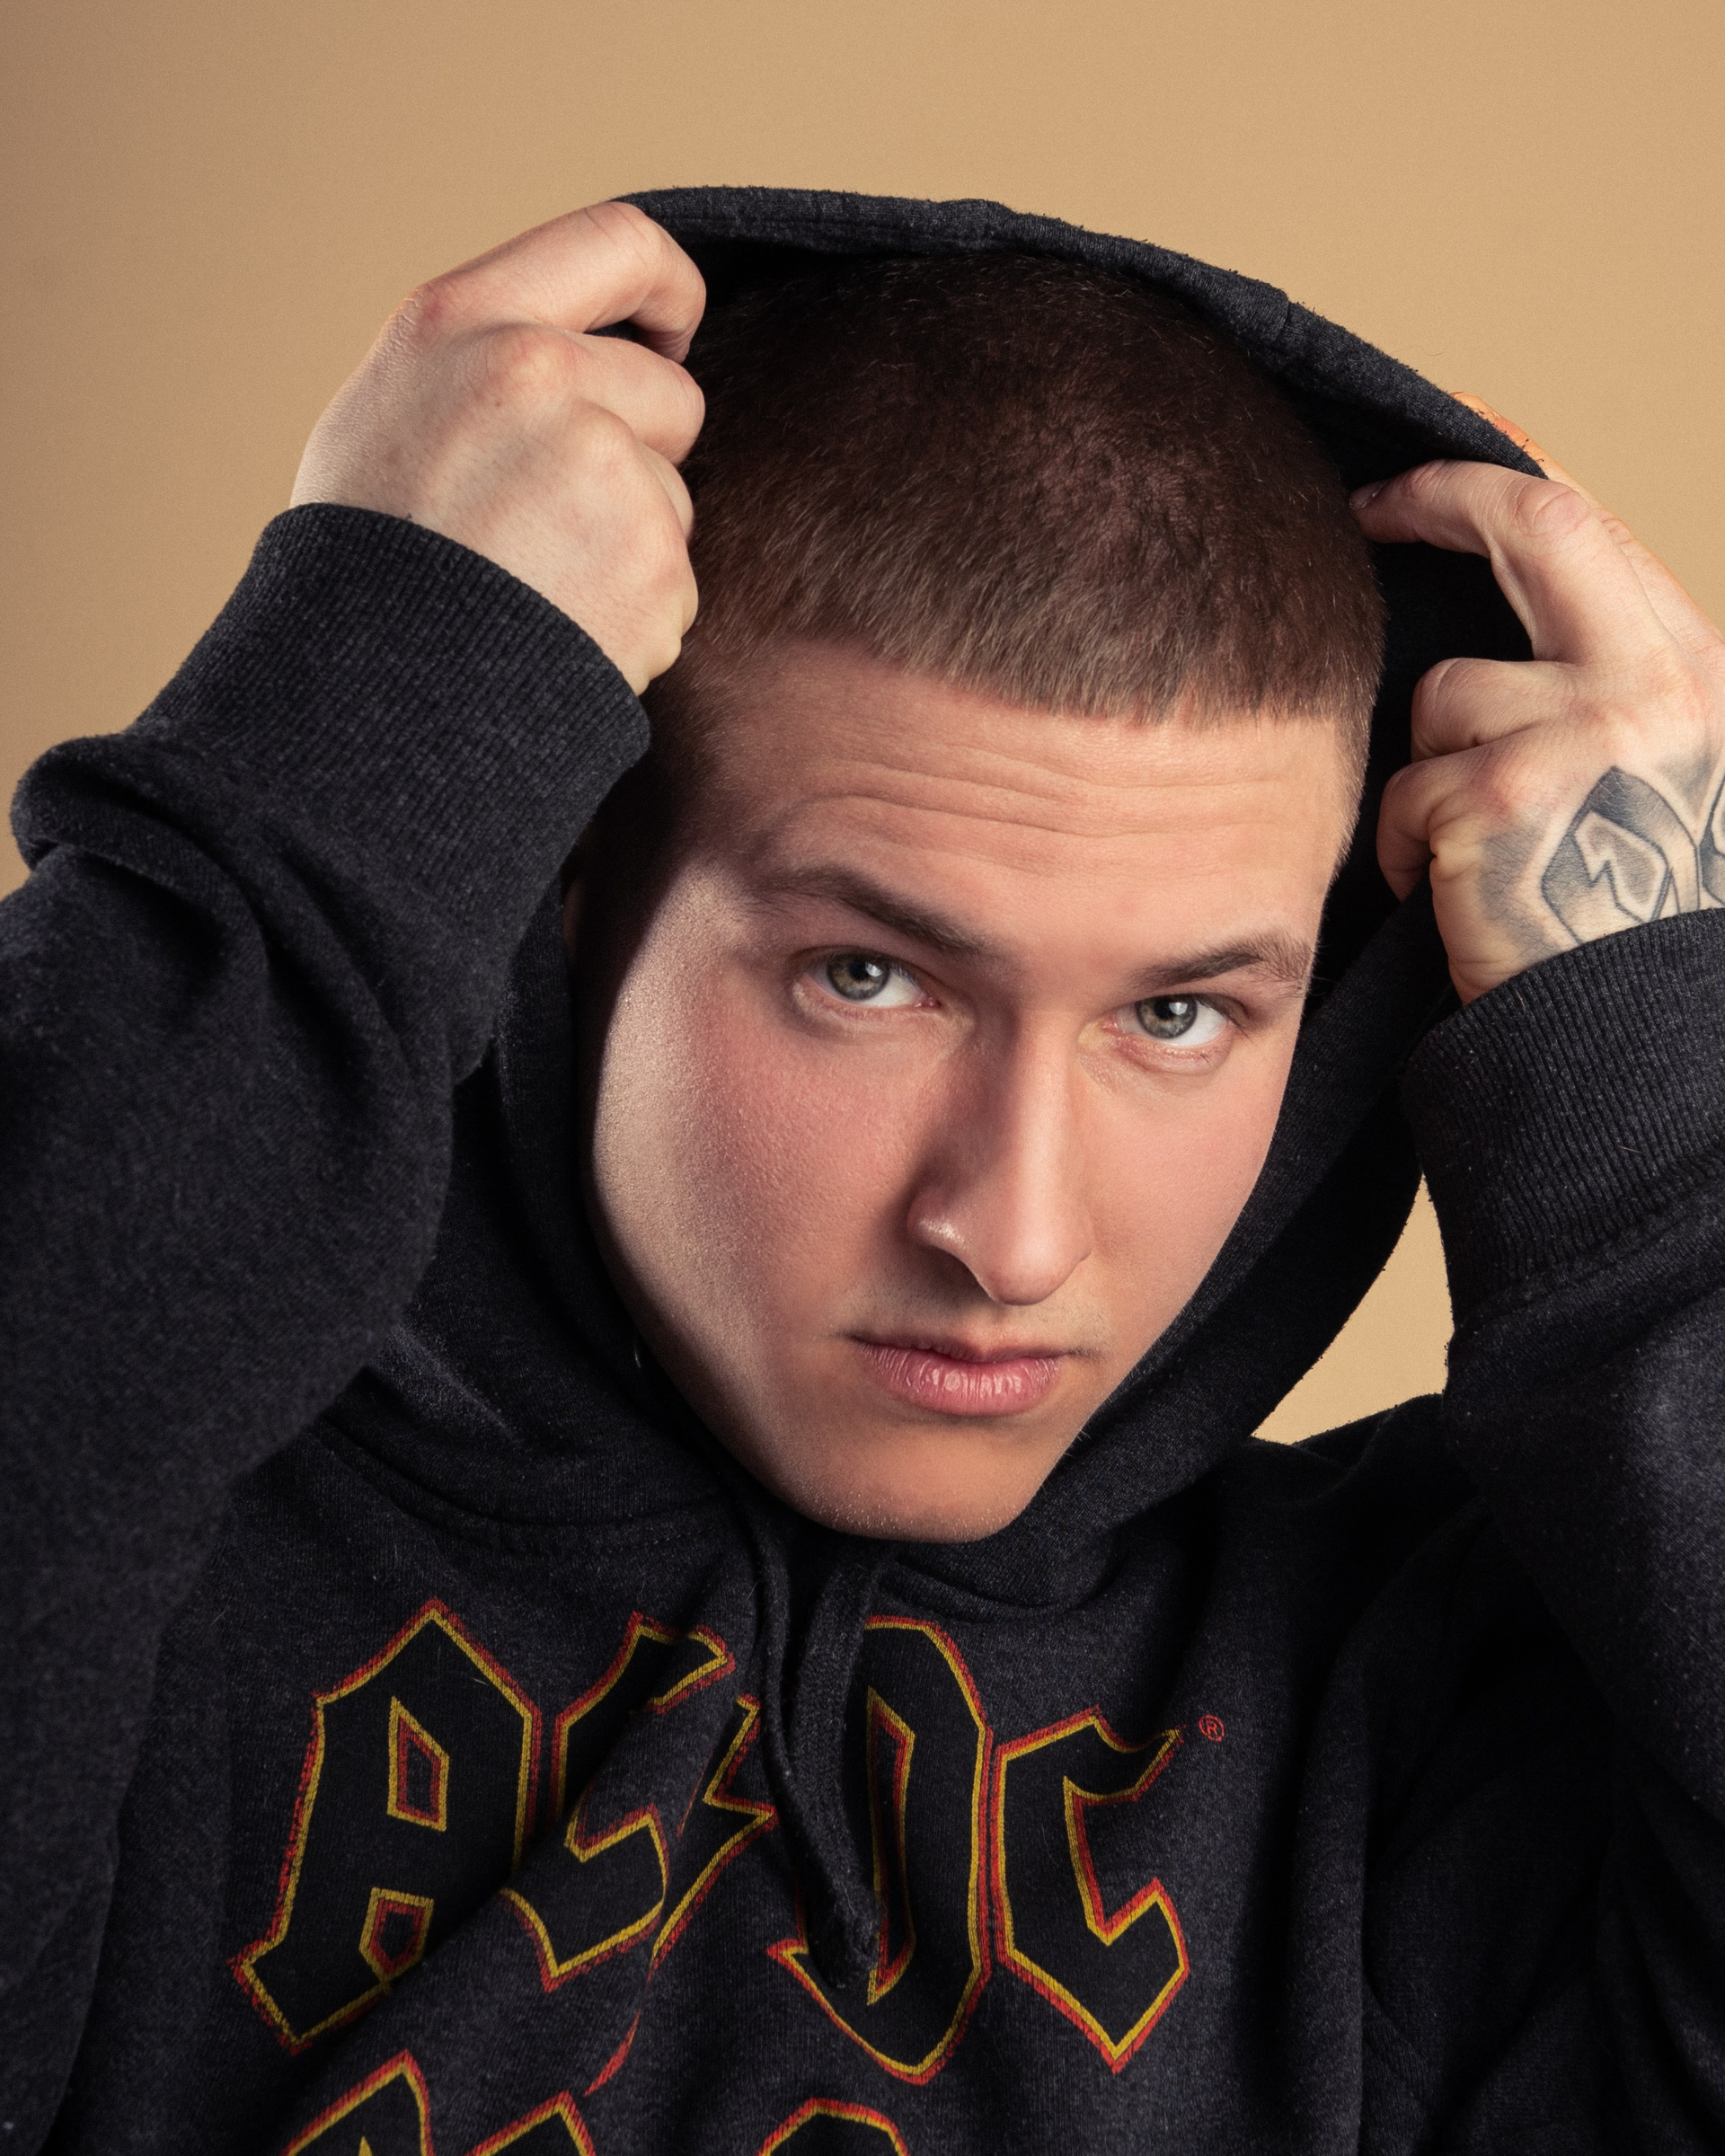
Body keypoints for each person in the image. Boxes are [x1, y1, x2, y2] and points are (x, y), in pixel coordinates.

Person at [2, 187, 1722, 2155]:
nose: (1013, 1236)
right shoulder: (143, 1547)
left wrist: (1666, 1123)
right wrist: (330, 771)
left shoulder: (1420, 1717)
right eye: (869, 977)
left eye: (1178, 1015)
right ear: (563, 887)